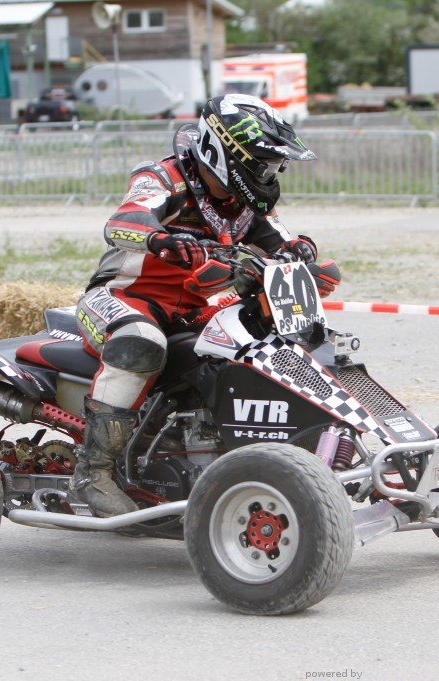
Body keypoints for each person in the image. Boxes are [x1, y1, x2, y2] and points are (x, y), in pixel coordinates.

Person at [72, 94, 342, 516]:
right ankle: (94, 473)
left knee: (264, 341)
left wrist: (301, 252)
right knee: (141, 343)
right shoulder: (164, 178)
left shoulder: (242, 202)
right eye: (262, 164)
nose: (270, 174)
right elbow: (122, 223)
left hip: (201, 303)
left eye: (274, 167)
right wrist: (163, 239)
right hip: (126, 296)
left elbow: (278, 238)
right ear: (225, 153)